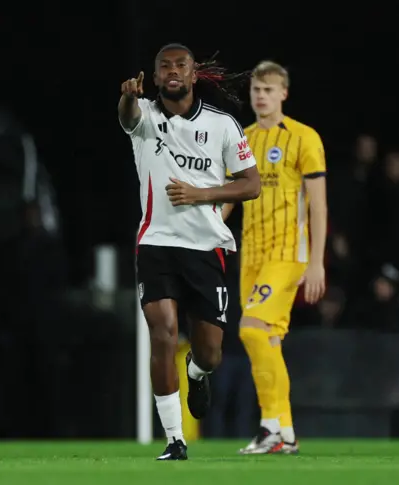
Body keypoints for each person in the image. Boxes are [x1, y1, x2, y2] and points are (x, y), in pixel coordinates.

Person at [119, 43, 261, 460]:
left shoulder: (222, 125)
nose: (173, 71)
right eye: (165, 66)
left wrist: (203, 194)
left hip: (205, 248)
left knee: (210, 352)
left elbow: (251, 184)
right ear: (157, 76)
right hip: (157, 244)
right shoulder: (144, 115)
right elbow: (126, 116)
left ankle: (198, 374)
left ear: (195, 74)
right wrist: (128, 95)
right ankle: (175, 439)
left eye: (181, 65)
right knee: (161, 333)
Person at [223, 61, 328, 454]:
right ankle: (284, 433)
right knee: (265, 339)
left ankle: (269, 426)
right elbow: (231, 197)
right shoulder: (242, 139)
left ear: (283, 93)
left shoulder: (304, 138)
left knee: (251, 328)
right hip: (251, 254)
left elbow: (318, 206)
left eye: (268, 89)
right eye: (255, 90)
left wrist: (317, 262)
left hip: (288, 253)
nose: (261, 96)